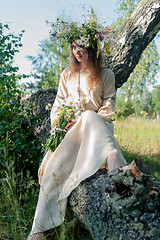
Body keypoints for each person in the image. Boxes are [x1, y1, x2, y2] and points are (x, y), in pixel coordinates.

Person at [29, 16, 127, 240]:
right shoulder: (66, 75)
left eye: (81, 46)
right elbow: (58, 106)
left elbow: (108, 105)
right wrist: (61, 125)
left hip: (96, 130)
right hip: (70, 132)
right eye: (74, 46)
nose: (77, 51)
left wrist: (86, 117)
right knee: (52, 171)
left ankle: (111, 157)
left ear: (92, 48)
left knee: (90, 116)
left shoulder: (106, 75)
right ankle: (39, 230)